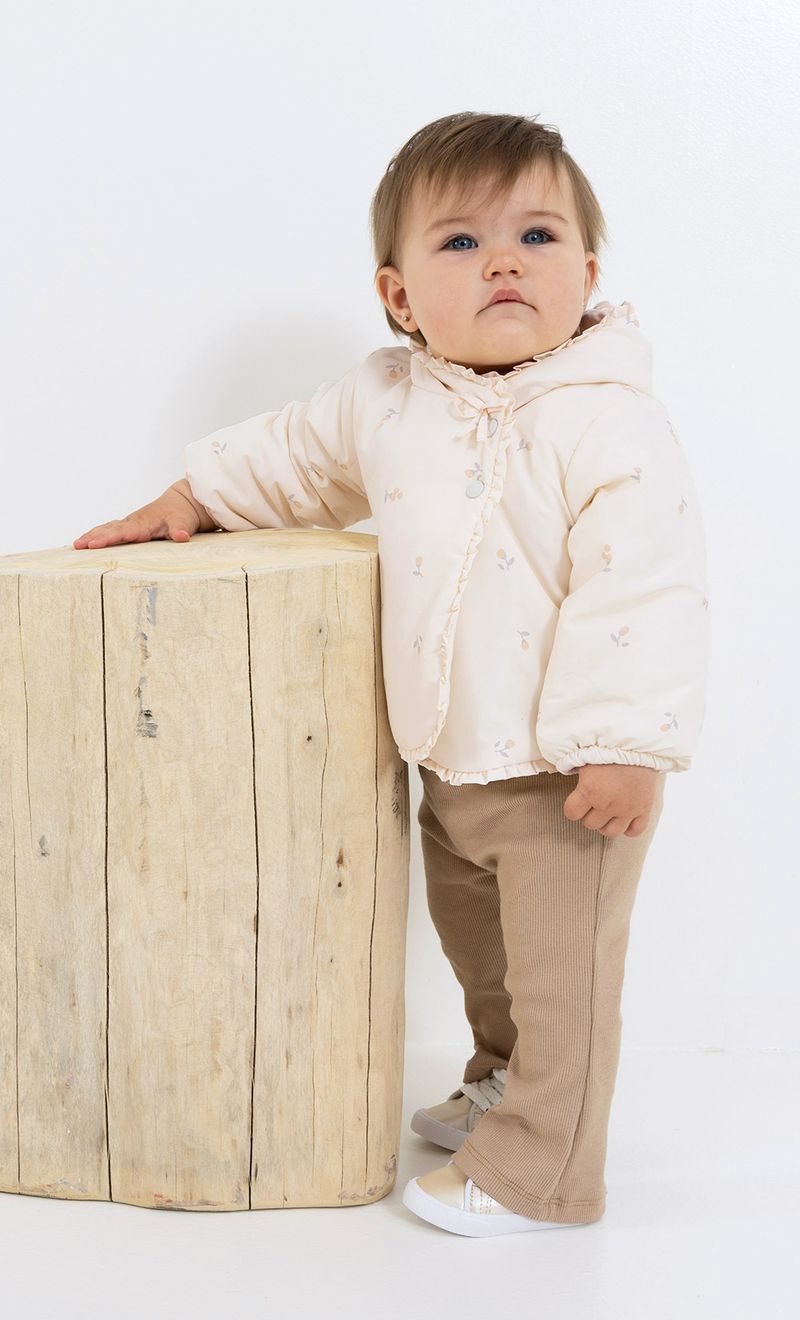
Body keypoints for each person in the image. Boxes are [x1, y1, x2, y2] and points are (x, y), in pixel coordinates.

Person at [72, 111, 711, 1238]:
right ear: (400, 296)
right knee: (486, 961)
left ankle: (546, 1173)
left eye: (537, 236)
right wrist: (189, 499)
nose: (504, 261)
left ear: (587, 274)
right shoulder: (388, 399)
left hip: (570, 778)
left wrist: (623, 745)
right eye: (461, 242)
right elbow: (293, 458)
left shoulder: (611, 422)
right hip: (448, 760)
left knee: (562, 978)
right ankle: (501, 1083)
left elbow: (646, 586)